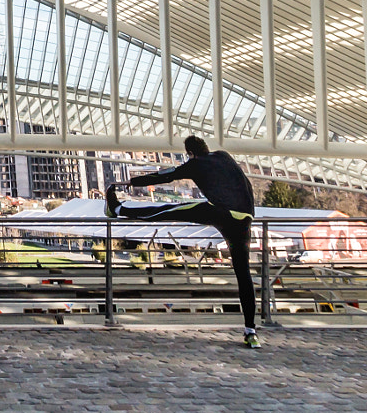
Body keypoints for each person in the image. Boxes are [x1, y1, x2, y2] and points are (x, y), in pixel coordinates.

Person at [106, 137, 262, 348]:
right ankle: (250, 331)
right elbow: (243, 183)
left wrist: (131, 183)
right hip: (244, 218)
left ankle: (118, 209)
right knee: (243, 275)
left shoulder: (195, 164)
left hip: (221, 212)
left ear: (190, 153)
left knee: (168, 210)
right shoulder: (224, 156)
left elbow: (165, 176)